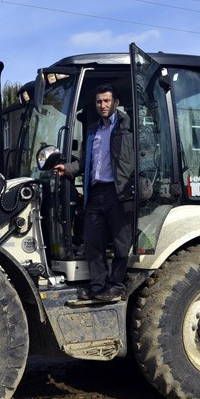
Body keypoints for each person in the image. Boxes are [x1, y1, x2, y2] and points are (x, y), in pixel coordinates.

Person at [54, 84, 135, 301]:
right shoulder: (93, 130)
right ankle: (99, 287)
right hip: (96, 192)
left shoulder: (128, 126)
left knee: (121, 244)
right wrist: (67, 168)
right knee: (93, 243)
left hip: (118, 192)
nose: (103, 105)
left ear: (115, 102)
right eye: (99, 101)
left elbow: (142, 155)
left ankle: (117, 285)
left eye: (107, 101)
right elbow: (84, 162)